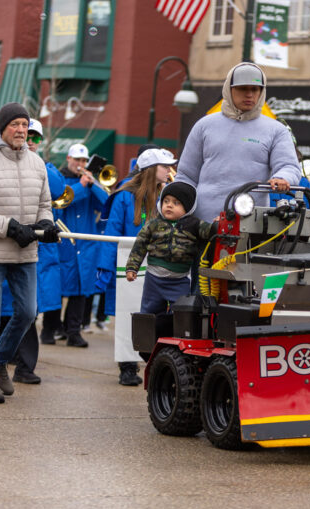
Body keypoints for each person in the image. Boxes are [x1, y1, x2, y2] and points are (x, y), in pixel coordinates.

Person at [0, 102, 61, 403]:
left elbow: (45, 203)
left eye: (25, 125)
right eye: (15, 124)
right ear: (3, 128)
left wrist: (45, 222)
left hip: (25, 252)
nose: (21, 130)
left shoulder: (37, 163)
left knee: (28, 312)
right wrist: (11, 228)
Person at [175, 62, 300, 222]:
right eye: (243, 88)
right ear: (229, 89)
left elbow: (289, 166)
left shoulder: (276, 129)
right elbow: (186, 176)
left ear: (262, 91)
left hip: (251, 221)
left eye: (255, 89)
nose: (249, 94)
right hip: (203, 222)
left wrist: (283, 178)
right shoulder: (204, 125)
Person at [96, 147, 178, 386]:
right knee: (128, 314)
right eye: (165, 166)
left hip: (160, 265)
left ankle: (156, 363)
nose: (169, 170)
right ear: (152, 170)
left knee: (158, 315)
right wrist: (105, 267)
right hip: (129, 266)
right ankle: (128, 366)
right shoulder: (124, 196)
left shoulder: (168, 195)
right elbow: (112, 232)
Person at [7, 119, 66, 384]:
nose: (30, 139)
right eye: (26, 134)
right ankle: (4, 357)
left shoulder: (44, 166)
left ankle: (25, 366)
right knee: (8, 309)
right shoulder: (2, 160)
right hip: (9, 242)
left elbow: (56, 189)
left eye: (36, 137)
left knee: (31, 310)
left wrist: (34, 158)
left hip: (37, 248)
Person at [125, 181, 214, 326]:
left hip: (179, 281)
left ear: (188, 207)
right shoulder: (153, 225)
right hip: (153, 279)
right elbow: (139, 246)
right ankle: (148, 344)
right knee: (149, 312)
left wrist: (218, 224)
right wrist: (131, 268)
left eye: (176, 203)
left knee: (182, 313)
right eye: (166, 201)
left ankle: (176, 342)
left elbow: (212, 232)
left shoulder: (195, 225)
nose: (169, 205)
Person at [56, 143, 109, 348]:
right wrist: (81, 185)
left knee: (81, 290)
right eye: (77, 160)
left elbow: (105, 204)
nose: (80, 164)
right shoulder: (59, 180)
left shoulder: (89, 182)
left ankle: (73, 331)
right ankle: (51, 328)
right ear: (68, 158)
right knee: (58, 288)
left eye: (84, 161)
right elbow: (63, 200)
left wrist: (93, 183)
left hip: (85, 246)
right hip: (64, 243)